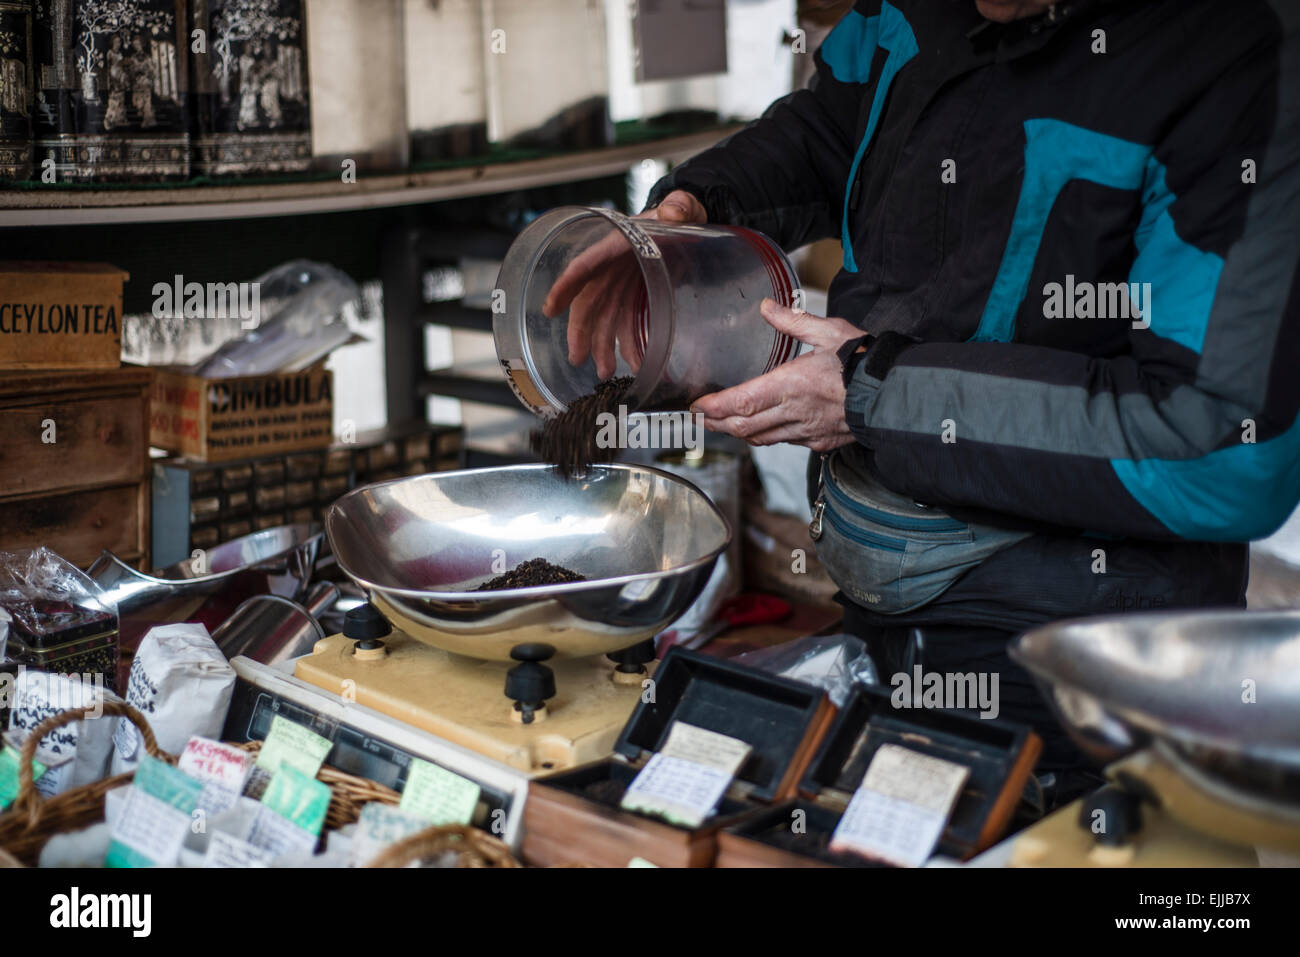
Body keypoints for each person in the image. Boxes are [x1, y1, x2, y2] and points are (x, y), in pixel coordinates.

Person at [547, 0, 1299, 801]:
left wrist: (875, 392)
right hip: (882, 600)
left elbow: (1219, 447)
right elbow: (837, 128)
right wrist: (694, 210)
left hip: (1080, 657)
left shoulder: (1242, 54)